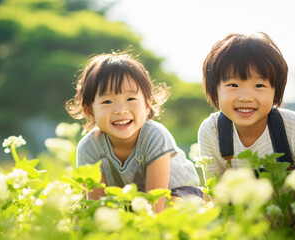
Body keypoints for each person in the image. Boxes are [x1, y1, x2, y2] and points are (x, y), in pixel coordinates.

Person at [198, 32, 295, 191]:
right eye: (233, 85)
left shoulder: (293, 127)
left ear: (275, 92)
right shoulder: (212, 131)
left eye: (259, 86)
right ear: (215, 92)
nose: (246, 97)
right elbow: (217, 192)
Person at [65, 52, 201, 212]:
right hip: (127, 202)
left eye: (131, 99)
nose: (121, 110)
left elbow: (156, 202)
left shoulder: (155, 136)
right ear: (90, 111)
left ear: (147, 103)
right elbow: (97, 207)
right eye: (107, 101)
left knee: (172, 208)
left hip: (177, 193)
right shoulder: (89, 148)